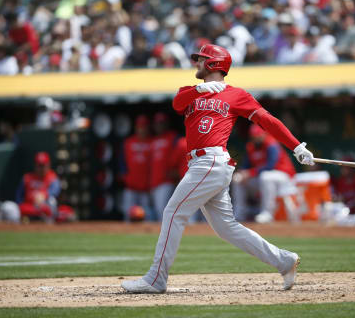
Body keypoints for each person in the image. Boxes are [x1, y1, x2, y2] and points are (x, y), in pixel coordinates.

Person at [121, 44, 314, 294]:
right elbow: (177, 104)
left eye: (201, 59)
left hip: (211, 162)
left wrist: (296, 146)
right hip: (201, 164)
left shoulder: (237, 95)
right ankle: (284, 260)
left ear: (214, 63)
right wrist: (199, 90)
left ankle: (156, 279)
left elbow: (268, 120)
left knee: (172, 213)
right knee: (226, 228)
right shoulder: (190, 91)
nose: (196, 63)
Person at [232, 123, 297, 223]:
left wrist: (249, 173)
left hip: (284, 177)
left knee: (266, 177)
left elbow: (270, 166)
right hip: (263, 178)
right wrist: (243, 173)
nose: (256, 139)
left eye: (258, 136)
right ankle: (239, 213)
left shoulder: (271, 144)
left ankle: (267, 213)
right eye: (254, 137)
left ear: (263, 135)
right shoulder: (251, 147)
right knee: (237, 179)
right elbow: (245, 166)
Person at [119, 115, 154, 222]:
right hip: (131, 187)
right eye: (140, 127)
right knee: (128, 214)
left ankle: (149, 234)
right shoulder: (128, 142)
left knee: (147, 214)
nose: (142, 129)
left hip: (146, 188)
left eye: (144, 127)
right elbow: (121, 162)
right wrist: (125, 178)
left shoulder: (152, 142)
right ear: (136, 127)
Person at [16, 152, 60, 222]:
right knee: (9, 207)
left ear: (48, 165)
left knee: (52, 201)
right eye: (39, 165)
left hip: (43, 207)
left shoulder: (52, 178)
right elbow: (19, 196)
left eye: (43, 165)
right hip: (29, 206)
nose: (42, 168)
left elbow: (55, 191)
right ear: (35, 165)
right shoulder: (27, 178)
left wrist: (44, 195)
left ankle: (49, 222)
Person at [149, 112, 177, 221]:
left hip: (166, 182)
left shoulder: (173, 137)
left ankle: (167, 235)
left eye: (161, 123)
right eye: (157, 123)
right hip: (154, 182)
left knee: (164, 211)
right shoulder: (152, 141)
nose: (159, 126)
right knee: (157, 212)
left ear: (166, 124)